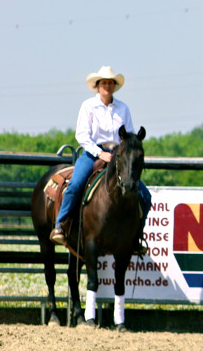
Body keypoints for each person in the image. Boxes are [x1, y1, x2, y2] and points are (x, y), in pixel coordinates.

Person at [50, 66, 151, 255]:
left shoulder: (123, 108)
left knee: (145, 196)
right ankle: (61, 225)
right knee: (75, 185)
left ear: (114, 86)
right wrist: (99, 153)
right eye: (104, 83)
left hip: (118, 154)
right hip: (92, 153)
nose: (107, 86)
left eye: (111, 83)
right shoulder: (88, 106)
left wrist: (122, 152)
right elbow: (82, 135)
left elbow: (128, 136)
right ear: (97, 86)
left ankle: (136, 238)